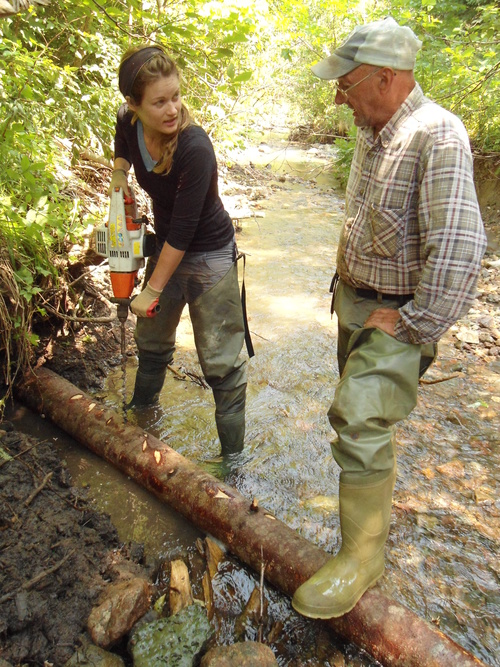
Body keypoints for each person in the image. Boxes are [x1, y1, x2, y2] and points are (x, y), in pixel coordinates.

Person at [292, 17, 487, 619]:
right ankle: (370, 527)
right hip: (358, 302)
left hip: (398, 312)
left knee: (356, 415)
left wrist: (414, 323)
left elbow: (460, 248)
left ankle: (363, 558)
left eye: (346, 86)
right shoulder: (376, 130)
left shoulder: (437, 134)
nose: (338, 98)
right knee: (366, 421)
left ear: (385, 78)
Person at [108, 45, 249, 464]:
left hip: (210, 257)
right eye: (159, 101)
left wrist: (151, 290)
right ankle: (139, 423)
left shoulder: (194, 147)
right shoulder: (127, 121)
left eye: (176, 96)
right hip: (168, 245)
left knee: (222, 365)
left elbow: (185, 232)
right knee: (151, 344)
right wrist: (120, 177)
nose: (172, 109)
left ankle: (233, 465)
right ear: (134, 105)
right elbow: (121, 140)